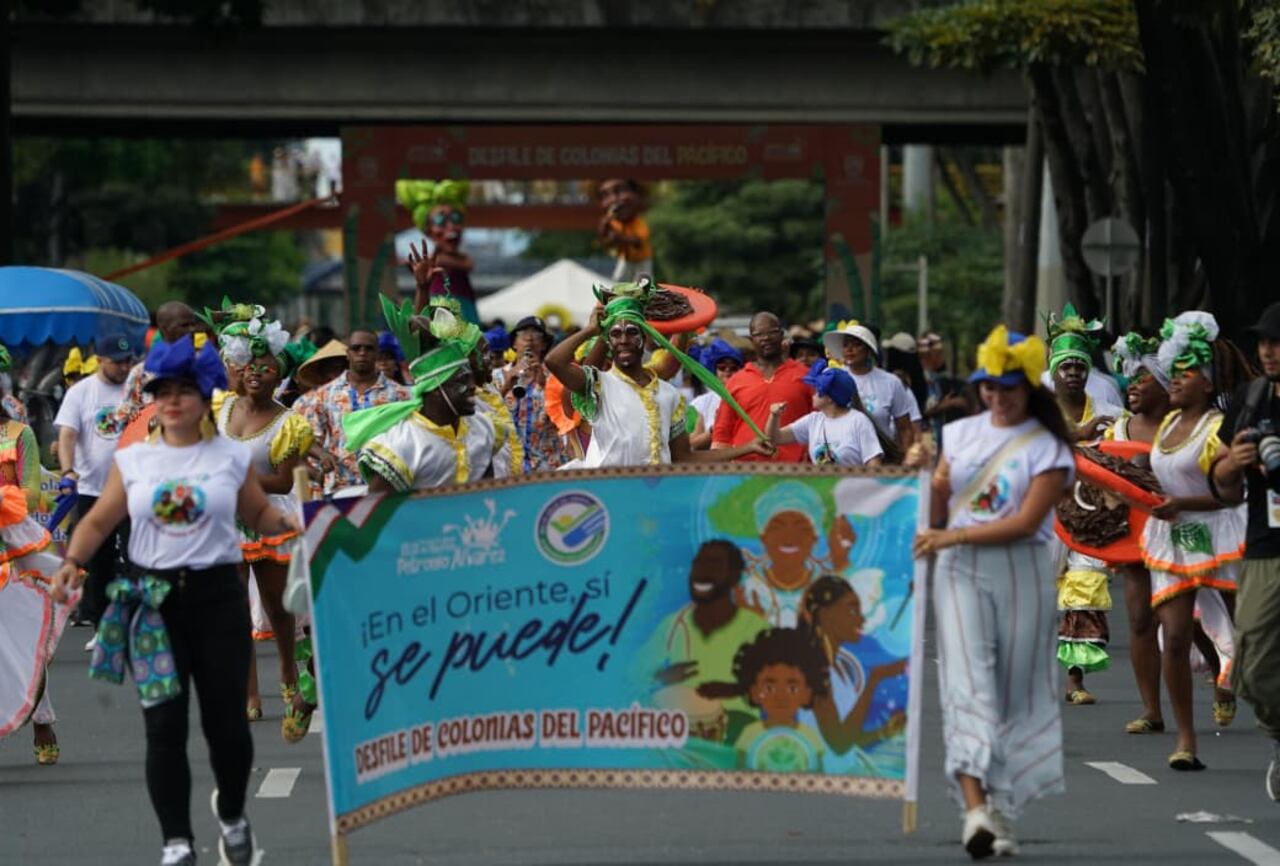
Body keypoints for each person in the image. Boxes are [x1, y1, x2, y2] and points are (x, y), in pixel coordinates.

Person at [49, 335, 301, 866]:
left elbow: (261, 516)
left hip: (216, 602)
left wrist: (301, 525)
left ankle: (232, 812)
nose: (172, 400)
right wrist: (71, 563)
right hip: (153, 605)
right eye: (162, 390)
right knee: (163, 725)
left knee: (225, 726)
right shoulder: (135, 459)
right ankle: (177, 842)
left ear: (203, 393)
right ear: (152, 397)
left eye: (184, 390)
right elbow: (98, 520)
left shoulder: (229, 457)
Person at [912, 324, 1074, 859]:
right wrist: (925, 479)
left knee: (1012, 694)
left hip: (1022, 572)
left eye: (1008, 388)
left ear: (1028, 389)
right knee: (967, 688)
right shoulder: (958, 436)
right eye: (989, 388)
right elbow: (935, 512)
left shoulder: (1048, 448)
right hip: (959, 572)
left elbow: (1028, 523)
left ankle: (1002, 803)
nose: (997, 398)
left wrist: (949, 531)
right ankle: (974, 810)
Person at [1141, 311, 1252, 770]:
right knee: (1176, 635)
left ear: (1206, 383)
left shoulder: (1217, 429)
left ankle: (1232, 678)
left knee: (1247, 630)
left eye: (1185, 376)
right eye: (1175, 375)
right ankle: (1186, 740)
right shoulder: (1165, 426)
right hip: (1170, 538)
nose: (1175, 383)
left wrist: (1185, 504)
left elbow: (1233, 494)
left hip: (1215, 533)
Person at [213, 315, 315, 740]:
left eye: (267, 368)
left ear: (279, 375)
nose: (256, 374)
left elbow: (284, 479)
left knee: (277, 608)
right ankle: (249, 692)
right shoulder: (220, 407)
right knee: (235, 608)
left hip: (268, 517)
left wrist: (235, 481)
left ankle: (290, 672)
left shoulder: (290, 422)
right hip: (224, 519)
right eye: (249, 366)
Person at [545, 300, 771, 468]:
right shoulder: (598, 384)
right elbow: (554, 361)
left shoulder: (668, 394)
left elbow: (684, 457)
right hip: (609, 496)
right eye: (615, 334)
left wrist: (747, 448)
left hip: (655, 499)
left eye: (632, 332)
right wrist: (593, 330)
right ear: (608, 342)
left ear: (645, 338)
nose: (624, 339)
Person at [1211, 300, 1280, 798]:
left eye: (1277, 342)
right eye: (1263, 342)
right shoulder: (1251, 399)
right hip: (1265, 545)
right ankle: (1278, 737)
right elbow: (1222, 484)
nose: (1269, 351)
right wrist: (1233, 463)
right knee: (1252, 665)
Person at [1045, 307, 1124, 705]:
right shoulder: (1036, 411)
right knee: (1036, 598)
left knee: (1084, 591)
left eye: (1080, 366)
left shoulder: (1108, 413)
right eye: (1066, 367)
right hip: (1042, 517)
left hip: (1089, 518)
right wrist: (1077, 434)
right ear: (1054, 371)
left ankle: (1075, 681)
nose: (1074, 373)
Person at [347, 307, 501, 493]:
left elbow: (489, 494)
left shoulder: (483, 427)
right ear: (435, 389)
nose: (472, 386)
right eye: (461, 380)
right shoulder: (401, 445)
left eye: (470, 378)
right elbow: (376, 515)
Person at [0, 361, 69, 766]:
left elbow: (29, 493)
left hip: (12, 546)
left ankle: (41, 719)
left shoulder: (18, 433)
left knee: (24, 641)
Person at [1106, 332, 1174, 734]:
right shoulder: (1119, 430)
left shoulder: (1183, 428)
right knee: (1139, 621)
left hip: (1181, 534)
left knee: (1190, 624)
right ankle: (1152, 710)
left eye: (1142, 380)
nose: (1132, 387)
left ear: (1165, 386)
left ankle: (1223, 680)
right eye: (1130, 380)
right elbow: (1105, 484)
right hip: (1135, 538)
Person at [54, 331, 137, 635]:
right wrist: (67, 471)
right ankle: (104, 627)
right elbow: (67, 435)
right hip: (92, 489)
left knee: (135, 557)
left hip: (133, 489)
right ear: (100, 360)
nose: (124, 368)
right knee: (98, 564)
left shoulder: (137, 388)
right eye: (117, 363)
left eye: (128, 361)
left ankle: (136, 622)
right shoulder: (81, 392)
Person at [648, 539, 769, 746]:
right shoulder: (672, 625)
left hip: (738, 733)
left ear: (734, 576)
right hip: (678, 734)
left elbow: (776, 686)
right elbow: (631, 677)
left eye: (714, 564)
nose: (701, 572)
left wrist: (735, 690)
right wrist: (661, 678)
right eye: (698, 564)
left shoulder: (755, 627)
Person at [799, 576, 907, 774]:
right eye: (852, 610)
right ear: (824, 614)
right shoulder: (813, 669)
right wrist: (875, 679)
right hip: (820, 776)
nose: (861, 618)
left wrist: (883, 733)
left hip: (843, 772)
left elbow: (846, 737)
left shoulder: (841, 667)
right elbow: (839, 744)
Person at [298, 329, 410, 494]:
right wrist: (322, 455)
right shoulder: (324, 395)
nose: (362, 353)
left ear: (377, 353)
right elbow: (306, 439)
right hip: (339, 487)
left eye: (369, 348)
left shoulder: (399, 394)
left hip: (385, 487)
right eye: (356, 348)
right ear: (348, 353)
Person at [713, 312, 813, 462]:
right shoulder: (736, 381)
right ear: (751, 339)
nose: (765, 338)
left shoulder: (806, 376)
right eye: (759, 334)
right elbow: (722, 433)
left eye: (771, 332)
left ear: (781, 335)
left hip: (795, 473)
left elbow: (820, 424)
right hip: (745, 473)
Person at [729, 627, 830, 772]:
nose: (780, 696)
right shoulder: (749, 734)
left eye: (792, 688)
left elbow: (818, 775)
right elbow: (739, 773)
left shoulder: (809, 737)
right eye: (769, 688)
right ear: (754, 692)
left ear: (807, 694)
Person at [822, 321, 919, 452]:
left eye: (856, 344)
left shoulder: (891, 382)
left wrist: (902, 462)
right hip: (841, 459)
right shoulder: (831, 377)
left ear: (868, 350)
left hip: (882, 460)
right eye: (845, 345)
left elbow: (905, 429)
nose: (849, 349)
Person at [766, 360, 883, 467]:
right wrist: (774, 416)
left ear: (830, 398)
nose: (813, 394)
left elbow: (873, 463)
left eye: (817, 391)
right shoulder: (813, 420)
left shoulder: (859, 421)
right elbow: (775, 438)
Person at [494, 316, 573, 472]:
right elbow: (486, 414)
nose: (529, 340)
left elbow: (567, 420)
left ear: (543, 345)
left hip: (548, 466)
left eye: (537, 335)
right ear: (514, 344)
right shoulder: (495, 377)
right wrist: (507, 384)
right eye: (523, 334)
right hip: (507, 467)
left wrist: (545, 385)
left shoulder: (556, 378)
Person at [399, 179, 479, 324]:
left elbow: (468, 264)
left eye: (456, 218)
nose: (451, 226)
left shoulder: (455, 259)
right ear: (428, 230)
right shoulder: (430, 261)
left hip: (467, 312)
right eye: (441, 221)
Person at [112, 302, 197, 428]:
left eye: (193, 324)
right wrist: (135, 417)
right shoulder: (141, 373)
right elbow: (121, 417)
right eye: (184, 325)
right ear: (164, 329)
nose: (192, 330)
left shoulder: (203, 365)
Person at [918, 332, 973, 443]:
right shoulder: (919, 380)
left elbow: (968, 405)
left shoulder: (951, 380)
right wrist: (947, 404)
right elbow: (921, 412)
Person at [689, 339, 743, 450]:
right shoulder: (701, 403)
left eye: (733, 368)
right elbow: (693, 444)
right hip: (712, 464)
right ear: (715, 371)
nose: (727, 371)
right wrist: (715, 429)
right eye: (722, 367)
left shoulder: (749, 397)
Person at [596, 178, 652, 281]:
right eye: (605, 195)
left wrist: (620, 239)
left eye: (620, 190)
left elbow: (638, 241)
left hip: (642, 259)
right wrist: (604, 225)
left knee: (643, 283)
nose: (614, 200)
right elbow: (604, 239)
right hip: (625, 259)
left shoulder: (638, 222)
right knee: (618, 281)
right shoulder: (614, 222)